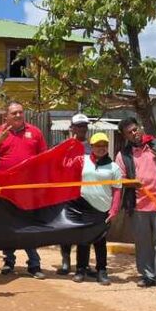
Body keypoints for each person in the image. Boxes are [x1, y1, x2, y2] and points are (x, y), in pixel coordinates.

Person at [115, 117, 156, 295]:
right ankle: (147, 275)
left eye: (135, 129)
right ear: (125, 136)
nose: (134, 133)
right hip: (138, 206)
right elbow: (119, 180)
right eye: (129, 132)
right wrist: (132, 184)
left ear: (141, 128)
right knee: (143, 242)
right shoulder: (123, 155)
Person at [0, 101, 48, 279]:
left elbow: (44, 159)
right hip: (6, 190)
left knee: (29, 225)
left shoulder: (35, 132)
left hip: (29, 190)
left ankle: (34, 264)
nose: (18, 115)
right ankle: (9, 261)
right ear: (6, 117)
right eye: (14, 113)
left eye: (20, 112)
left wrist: (41, 186)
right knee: (8, 225)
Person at [72, 133, 122, 285]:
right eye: (98, 145)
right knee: (83, 240)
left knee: (100, 242)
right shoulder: (82, 161)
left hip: (102, 209)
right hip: (83, 207)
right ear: (91, 147)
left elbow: (117, 190)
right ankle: (81, 270)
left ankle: (102, 271)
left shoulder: (114, 167)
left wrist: (114, 210)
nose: (101, 148)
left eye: (104, 145)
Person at [58, 113, 91, 276]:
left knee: (85, 229)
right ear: (72, 128)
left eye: (84, 126)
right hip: (69, 193)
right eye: (78, 126)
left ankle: (83, 264)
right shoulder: (65, 146)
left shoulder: (93, 146)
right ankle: (66, 261)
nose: (81, 129)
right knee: (67, 228)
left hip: (88, 194)